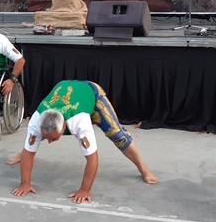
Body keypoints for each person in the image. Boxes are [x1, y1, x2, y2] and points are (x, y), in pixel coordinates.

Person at [12, 80, 158, 204]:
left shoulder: (79, 121)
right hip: (67, 91)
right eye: (48, 138)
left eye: (54, 138)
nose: (50, 142)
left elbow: (92, 159)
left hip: (91, 94)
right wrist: (25, 183)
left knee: (118, 135)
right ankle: (26, 149)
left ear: (64, 126)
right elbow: (37, 141)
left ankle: (142, 167)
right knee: (32, 143)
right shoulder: (37, 119)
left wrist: (84, 189)